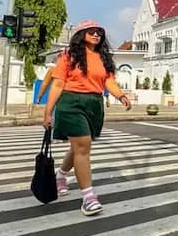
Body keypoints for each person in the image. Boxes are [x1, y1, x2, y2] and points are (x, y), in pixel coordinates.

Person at [43, 20, 132, 216]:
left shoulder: (104, 58)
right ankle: (88, 197)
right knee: (83, 146)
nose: (96, 35)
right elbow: (57, 84)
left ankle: (60, 176)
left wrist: (121, 96)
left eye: (99, 32)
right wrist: (48, 112)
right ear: (81, 34)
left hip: (94, 104)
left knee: (78, 147)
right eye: (91, 31)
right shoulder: (68, 55)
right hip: (71, 103)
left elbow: (109, 81)